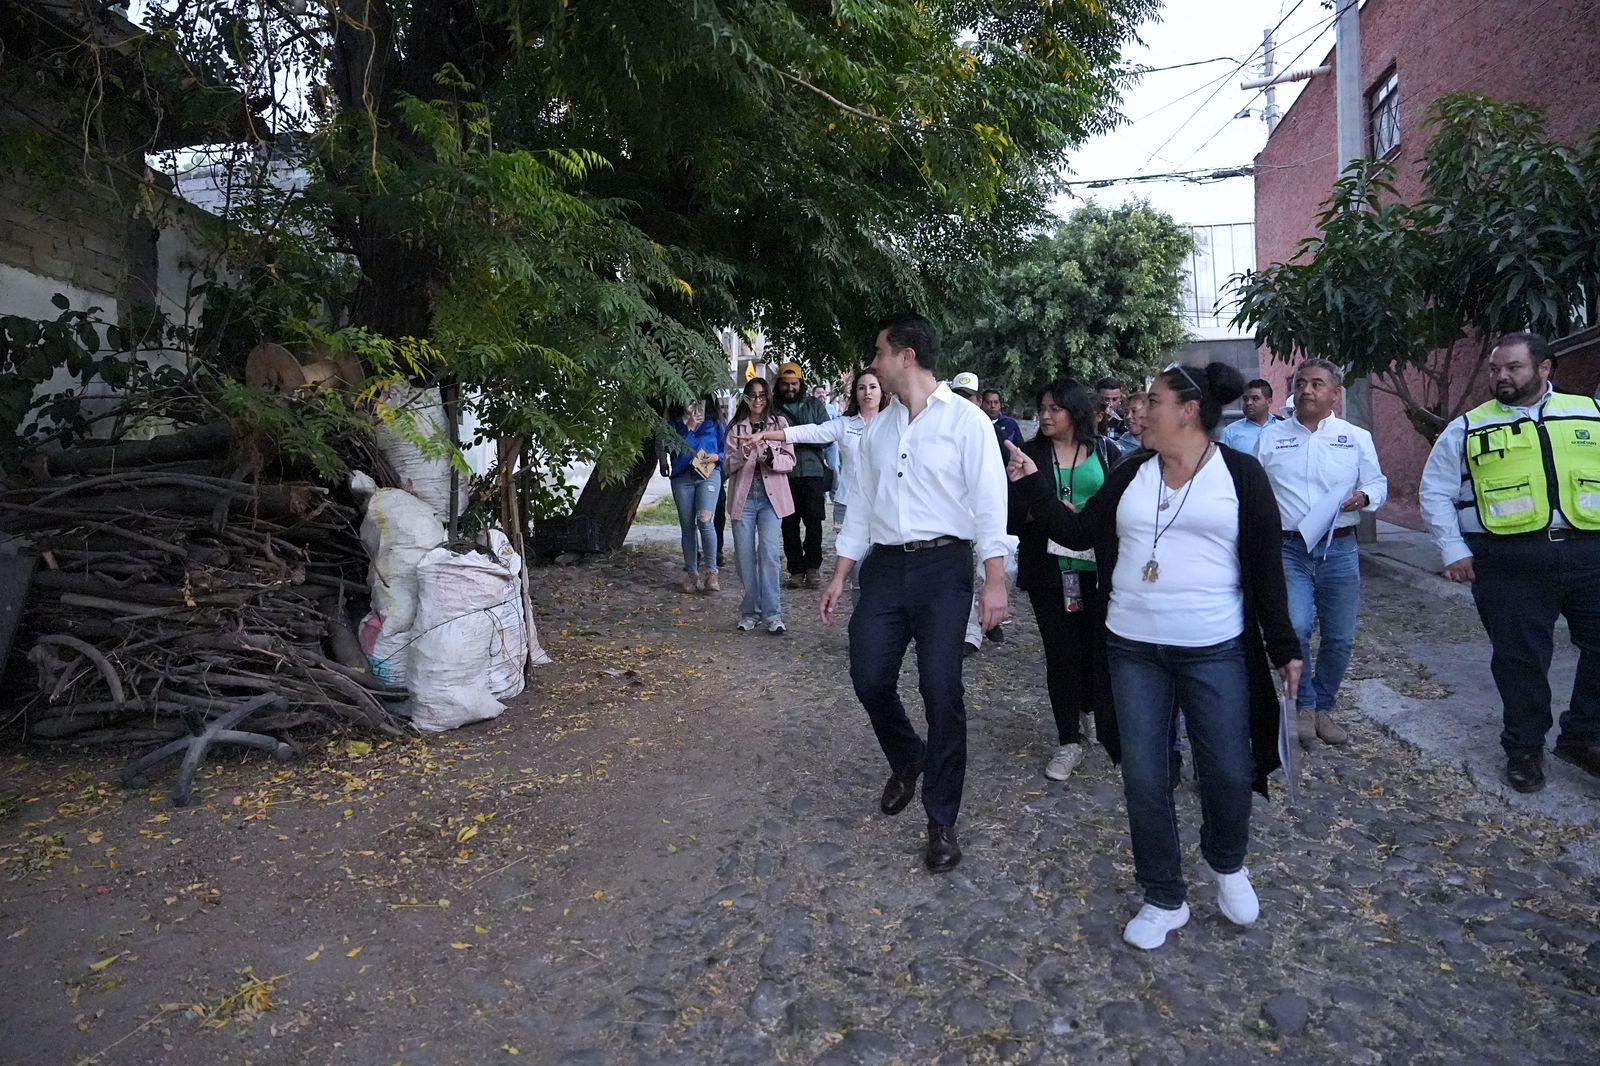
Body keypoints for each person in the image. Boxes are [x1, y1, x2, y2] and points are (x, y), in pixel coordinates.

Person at [1005, 361, 1301, 950]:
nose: (1140, 411)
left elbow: (1266, 567)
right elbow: (1081, 531)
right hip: (1131, 647)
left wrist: (1285, 645)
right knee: (1144, 775)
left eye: (1153, 401)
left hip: (1215, 648)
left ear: (1188, 411)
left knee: (1226, 768)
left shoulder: (1240, 474)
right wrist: (1034, 480)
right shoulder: (1131, 471)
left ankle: (1226, 861)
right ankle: (1163, 894)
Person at [819, 313, 1010, 874]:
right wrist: (839, 574)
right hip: (884, 568)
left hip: (945, 567)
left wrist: (993, 577)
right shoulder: (878, 428)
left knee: (941, 687)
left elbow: (989, 502)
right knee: (869, 676)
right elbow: (862, 507)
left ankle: (941, 820)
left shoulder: (966, 423)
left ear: (905, 356)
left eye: (879, 351)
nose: (872, 363)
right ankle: (908, 755)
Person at [1419, 332, 1600, 792]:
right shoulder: (1468, 426)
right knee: (1521, 660)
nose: (1501, 376)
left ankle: (1582, 736)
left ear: (1544, 369)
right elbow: (1436, 492)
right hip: (1508, 561)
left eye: (1513, 367)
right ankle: (1523, 748)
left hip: (1588, 553)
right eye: (1496, 369)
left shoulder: (1590, 414)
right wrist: (1453, 550)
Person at [1254, 359, 1387, 748]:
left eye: (1317, 384)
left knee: (1340, 637)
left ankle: (1324, 707)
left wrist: (1365, 496)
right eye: (1301, 383)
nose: (1307, 390)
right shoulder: (1271, 439)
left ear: (1335, 394)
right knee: (1295, 627)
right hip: (1288, 548)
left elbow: (1377, 481)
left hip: (1340, 547)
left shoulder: (1354, 437)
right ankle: (1304, 708)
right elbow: (1255, 492)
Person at [1008, 377, 1117, 781]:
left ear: (1076, 412)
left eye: (1055, 408)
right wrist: (1052, 511)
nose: (1046, 415)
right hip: (1049, 571)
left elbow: (1115, 507)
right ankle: (1067, 737)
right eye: (1043, 408)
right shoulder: (1029, 454)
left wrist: (1085, 516)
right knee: (1061, 653)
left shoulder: (1105, 450)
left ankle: (1087, 713)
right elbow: (1013, 514)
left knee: (1093, 651)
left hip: (1095, 570)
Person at [749, 369, 882, 533]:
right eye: (862, 388)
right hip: (848, 502)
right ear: (855, 392)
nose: (867, 392)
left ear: (882, 390)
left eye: (873, 387)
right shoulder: (844, 424)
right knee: (847, 556)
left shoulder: (894, 422)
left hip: (882, 504)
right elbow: (808, 432)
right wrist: (764, 435)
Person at [726, 378, 798, 634]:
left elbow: (790, 461)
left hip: (771, 499)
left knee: (768, 554)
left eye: (762, 395)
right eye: (752, 396)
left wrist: (769, 456)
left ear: (768, 397)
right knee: (745, 558)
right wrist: (742, 454)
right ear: (746, 398)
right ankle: (749, 612)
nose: (757, 401)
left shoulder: (779, 425)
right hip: (743, 498)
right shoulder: (736, 427)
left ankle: (772, 614)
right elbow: (725, 466)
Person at [773, 363, 833, 589]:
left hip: (812, 471)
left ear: (801, 384)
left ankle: (813, 567)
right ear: (779, 384)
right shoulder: (774, 408)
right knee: (788, 524)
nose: (790, 388)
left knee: (814, 521)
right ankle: (795, 570)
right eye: (785, 384)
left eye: (794, 384)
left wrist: (798, 437)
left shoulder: (815, 405)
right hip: (783, 473)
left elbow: (828, 435)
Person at [660, 398, 724, 594]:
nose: (693, 402)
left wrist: (717, 457)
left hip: (709, 474)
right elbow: (671, 449)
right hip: (682, 476)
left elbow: (727, 449)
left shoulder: (714, 421)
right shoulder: (674, 423)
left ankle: (712, 573)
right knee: (687, 525)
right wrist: (687, 426)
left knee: (705, 520)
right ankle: (691, 573)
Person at [1220, 378, 1281, 454]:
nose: (1248, 403)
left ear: (1269, 402)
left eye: (1255, 398)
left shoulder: (1283, 429)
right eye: (1245, 399)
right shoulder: (1229, 433)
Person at [982, 389, 1025, 453]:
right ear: (982, 404)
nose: (992, 406)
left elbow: (1021, 448)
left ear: (1000, 405)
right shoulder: (978, 423)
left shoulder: (1010, 424)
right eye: (988, 402)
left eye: (996, 402)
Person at [1114, 391, 1149, 458]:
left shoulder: (1163, 446)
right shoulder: (1117, 449)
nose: (1128, 416)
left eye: (1134, 411)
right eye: (1126, 412)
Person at [1096, 377, 1127, 442]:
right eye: (1106, 399)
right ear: (1097, 396)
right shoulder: (1089, 419)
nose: (1111, 404)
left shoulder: (1126, 419)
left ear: (1120, 398)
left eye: (1115, 399)